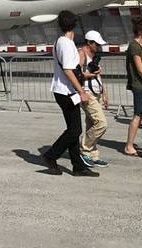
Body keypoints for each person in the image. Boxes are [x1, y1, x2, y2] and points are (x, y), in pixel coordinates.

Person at [42, 11, 98, 177]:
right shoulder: (66, 44)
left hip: (65, 90)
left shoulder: (61, 42)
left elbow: (69, 69)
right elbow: (67, 70)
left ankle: (78, 166)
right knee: (74, 130)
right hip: (66, 92)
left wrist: (86, 75)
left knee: (74, 129)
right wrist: (82, 92)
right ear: (74, 25)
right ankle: (51, 155)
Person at [78, 30, 109, 168]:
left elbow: (98, 75)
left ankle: (92, 155)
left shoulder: (94, 54)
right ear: (89, 42)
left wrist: (104, 92)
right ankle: (84, 149)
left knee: (92, 124)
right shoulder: (82, 53)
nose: (99, 47)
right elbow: (76, 73)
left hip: (96, 92)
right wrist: (90, 75)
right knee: (101, 123)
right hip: (86, 93)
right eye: (96, 44)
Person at [124, 17, 142, 156]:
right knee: (137, 115)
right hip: (140, 85)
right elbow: (139, 69)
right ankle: (129, 145)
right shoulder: (134, 47)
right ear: (141, 32)